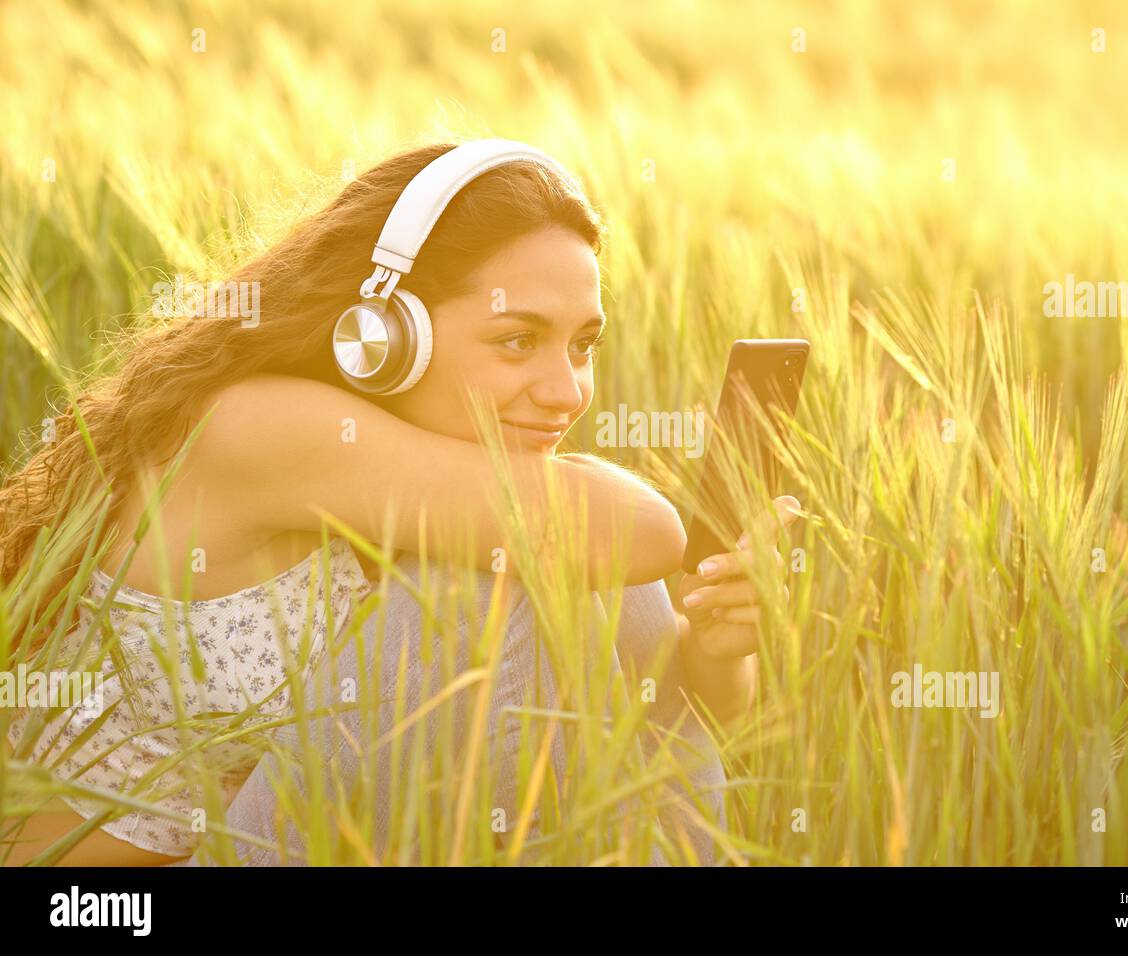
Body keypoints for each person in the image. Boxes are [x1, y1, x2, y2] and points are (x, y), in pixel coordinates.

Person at [0, 140, 800, 866]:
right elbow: (643, 530)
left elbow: (693, 704)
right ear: (384, 335)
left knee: (582, 569)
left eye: (582, 344)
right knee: (509, 575)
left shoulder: (422, 475)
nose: (566, 392)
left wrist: (720, 647)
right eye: (517, 340)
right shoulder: (261, 425)